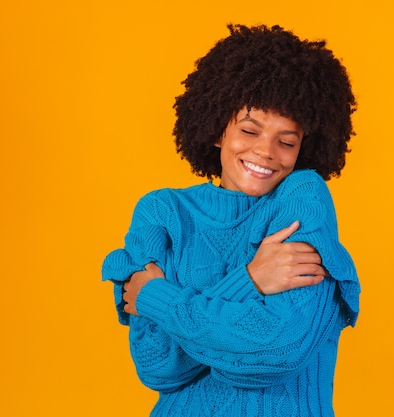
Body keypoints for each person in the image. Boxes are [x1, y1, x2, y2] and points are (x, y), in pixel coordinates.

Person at [102, 24, 360, 417]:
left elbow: (275, 351)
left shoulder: (302, 200)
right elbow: (160, 369)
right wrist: (251, 280)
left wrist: (157, 297)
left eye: (286, 141)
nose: (265, 151)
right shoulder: (163, 212)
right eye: (249, 130)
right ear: (218, 129)